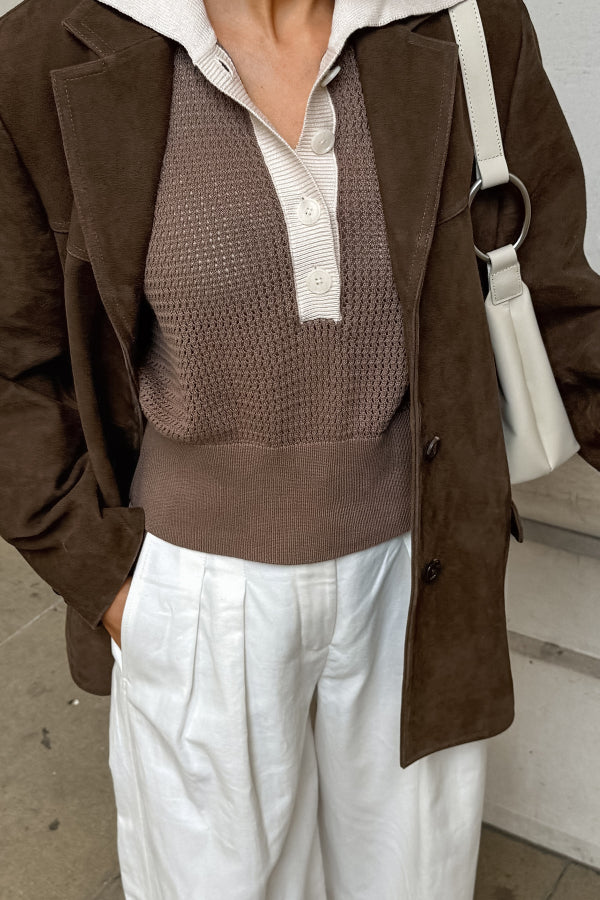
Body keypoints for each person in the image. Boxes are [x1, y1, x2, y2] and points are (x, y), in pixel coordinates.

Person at [0, 0, 598, 897]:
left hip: (418, 579)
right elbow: (13, 363)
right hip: (192, 591)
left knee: (414, 884)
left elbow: (558, 297)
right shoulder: (43, 50)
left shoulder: (466, 24)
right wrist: (113, 588)